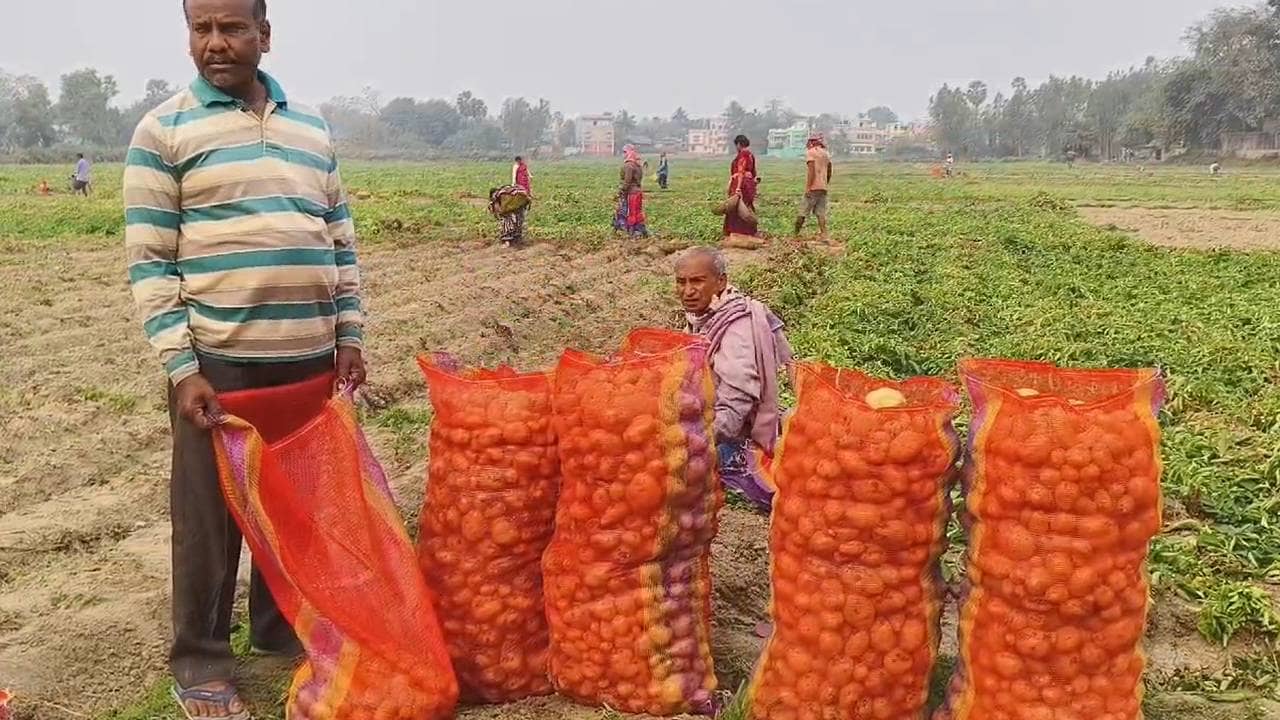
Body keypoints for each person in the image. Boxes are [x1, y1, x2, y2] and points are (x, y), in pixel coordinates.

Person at [123, 1, 366, 717]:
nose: (216, 43)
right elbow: (150, 262)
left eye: (232, 28)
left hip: (308, 357)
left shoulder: (310, 127)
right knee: (208, 519)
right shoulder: (163, 131)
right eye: (202, 28)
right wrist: (181, 366)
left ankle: (276, 628)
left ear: (265, 34)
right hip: (219, 362)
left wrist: (348, 334)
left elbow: (339, 239)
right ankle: (199, 662)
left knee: (293, 506)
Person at [676, 247, 793, 513]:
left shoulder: (736, 326)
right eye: (681, 282)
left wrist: (698, 441)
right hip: (708, 415)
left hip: (736, 431)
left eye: (697, 281)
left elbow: (736, 401)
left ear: (721, 282)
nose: (688, 290)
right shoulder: (704, 316)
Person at [795, 133, 832, 241]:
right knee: (821, 213)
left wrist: (808, 187)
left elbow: (811, 171)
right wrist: (826, 182)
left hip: (813, 188)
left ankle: (795, 234)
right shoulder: (826, 153)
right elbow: (830, 170)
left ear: (812, 142)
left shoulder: (811, 153)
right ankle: (824, 235)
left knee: (802, 212)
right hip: (823, 188)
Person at [724, 135, 759, 241]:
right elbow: (753, 173)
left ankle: (737, 231)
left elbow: (741, 171)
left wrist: (738, 188)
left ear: (739, 144)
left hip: (742, 183)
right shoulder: (751, 155)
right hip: (749, 184)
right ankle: (749, 231)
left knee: (737, 206)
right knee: (746, 207)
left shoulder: (743, 154)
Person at [613, 144, 649, 238]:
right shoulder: (637, 165)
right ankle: (640, 230)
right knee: (637, 212)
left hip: (631, 193)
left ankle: (633, 232)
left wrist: (620, 192)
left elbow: (627, 181)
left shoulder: (629, 165)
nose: (623, 154)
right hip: (638, 191)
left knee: (631, 212)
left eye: (625, 152)